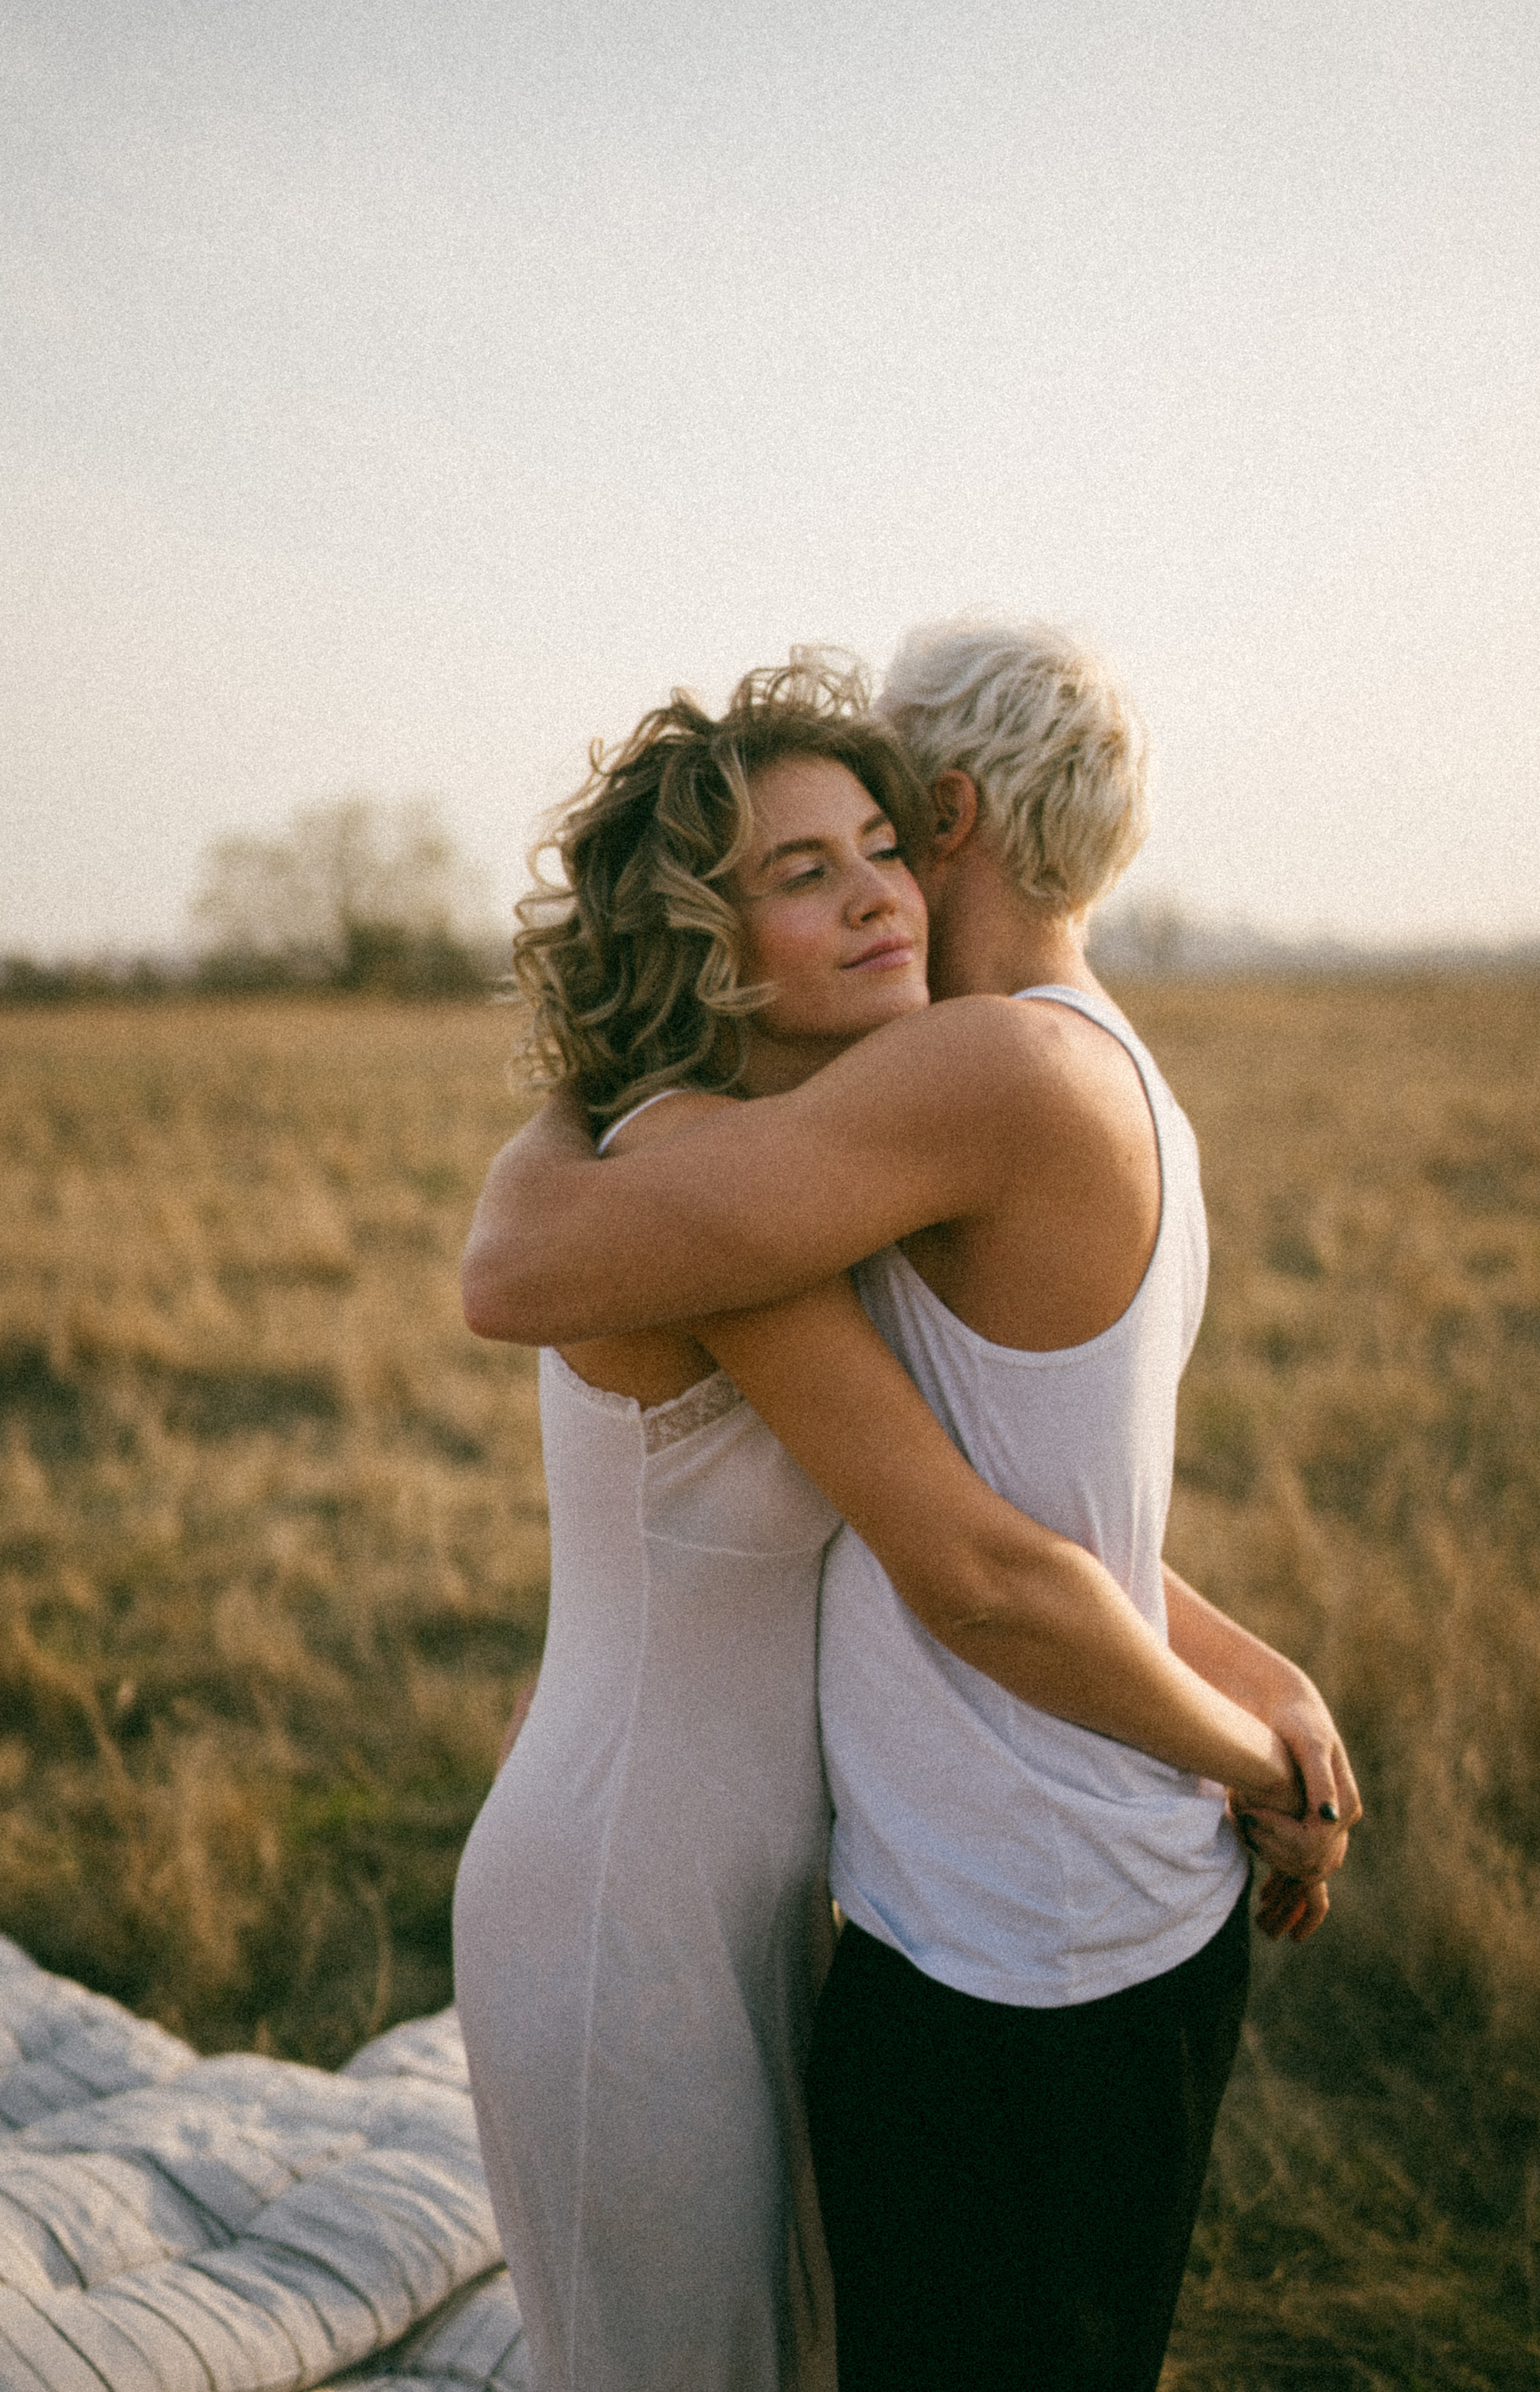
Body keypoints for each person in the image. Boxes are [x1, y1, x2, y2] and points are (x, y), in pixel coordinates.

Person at [461, 620, 1361, 2392]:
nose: (875, 894)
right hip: (627, 1893)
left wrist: (1263, 1680)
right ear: (713, 939)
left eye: (882, 845)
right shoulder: (708, 1185)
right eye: (807, 870)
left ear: (943, 816)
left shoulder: (846, 1172)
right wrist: (1256, 1754)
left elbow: (1019, 1509)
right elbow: (975, 1558)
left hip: (810, 1893)